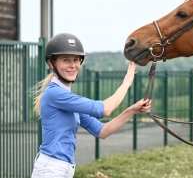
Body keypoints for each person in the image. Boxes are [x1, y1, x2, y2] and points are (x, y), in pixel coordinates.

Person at [31, 33, 151, 178]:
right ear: (51, 63)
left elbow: (102, 131)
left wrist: (131, 110)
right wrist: (126, 84)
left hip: (62, 169)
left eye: (76, 60)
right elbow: (105, 109)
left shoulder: (66, 99)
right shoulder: (55, 94)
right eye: (66, 60)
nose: (73, 65)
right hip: (51, 170)